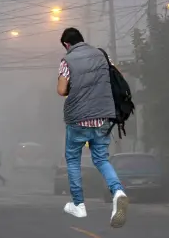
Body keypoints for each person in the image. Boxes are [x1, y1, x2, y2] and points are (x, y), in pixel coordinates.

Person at [57, 27, 128, 228]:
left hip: (78, 119)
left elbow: (62, 90)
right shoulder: (101, 55)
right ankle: (118, 192)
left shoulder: (67, 61)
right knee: (101, 159)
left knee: (72, 160)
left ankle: (79, 204)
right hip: (103, 116)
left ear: (67, 44)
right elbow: (117, 75)